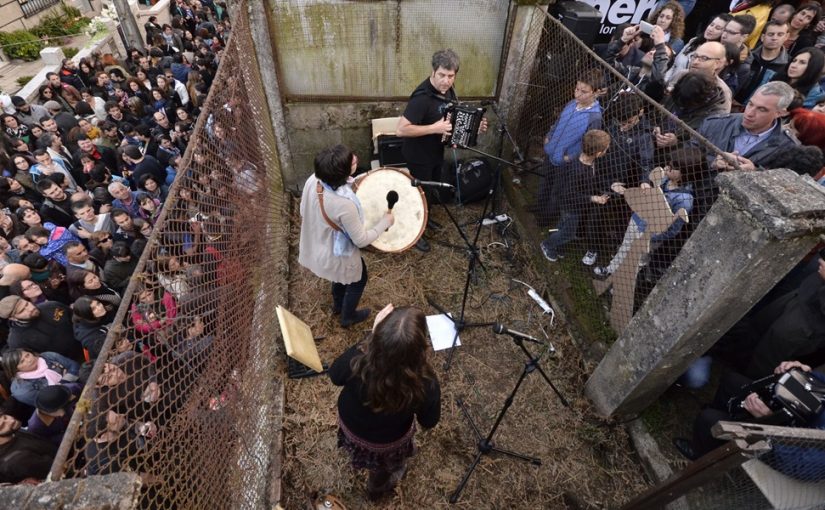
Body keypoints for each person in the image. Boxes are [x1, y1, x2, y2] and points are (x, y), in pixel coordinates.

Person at [329, 304, 440, 500]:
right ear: (421, 348)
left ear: (377, 336)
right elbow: (429, 421)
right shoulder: (426, 382)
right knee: (383, 467)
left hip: (351, 427)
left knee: (358, 447)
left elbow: (335, 375)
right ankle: (376, 489)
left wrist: (369, 338)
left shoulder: (358, 359)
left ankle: (357, 457)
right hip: (386, 443)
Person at [395, 49, 486, 252]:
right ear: (433, 72)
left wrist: (475, 126)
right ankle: (414, 233)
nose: (446, 81)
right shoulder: (422, 98)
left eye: (451, 76)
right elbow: (400, 130)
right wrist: (434, 128)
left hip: (435, 153)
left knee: (429, 192)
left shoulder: (448, 91)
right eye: (442, 75)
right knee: (417, 195)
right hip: (418, 157)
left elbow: (451, 121)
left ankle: (425, 221)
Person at [673, 360, 825, 482]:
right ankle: (720, 426)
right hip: (800, 416)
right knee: (732, 382)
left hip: (786, 448)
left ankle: (703, 457)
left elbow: (800, 467)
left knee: (709, 419)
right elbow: (820, 385)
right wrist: (802, 372)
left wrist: (771, 423)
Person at [298, 145, 393, 328]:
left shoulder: (314, 179)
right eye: (352, 162)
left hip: (318, 240)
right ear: (340, 175)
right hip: (335, 251)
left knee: (338, 275)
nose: (355, 159)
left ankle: (337, 305)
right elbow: (361, 240)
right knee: (358, 278)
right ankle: (348, 316)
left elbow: (303, 209)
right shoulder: (344, 205)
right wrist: (385, 222)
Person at [593, 147, 702, 278]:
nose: (667, 168)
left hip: (649, 235)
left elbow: (673, 229)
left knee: (637, 260)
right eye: (668, 163)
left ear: (685, 173)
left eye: (672, 167)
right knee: (624, 247)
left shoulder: (684, 200)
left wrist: (651, 236)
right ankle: (611, 269)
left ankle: (621, 283)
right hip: (637, 220)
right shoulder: (664, 179)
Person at [539, 129, 611, 263]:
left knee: (564, 225)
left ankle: (557, 244)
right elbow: (570, 193)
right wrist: (592, 198)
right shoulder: (577, 170)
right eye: (606, 149)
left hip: (574, 206)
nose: (607, 151)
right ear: (598, 153)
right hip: (571, 206)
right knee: (569, 233)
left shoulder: (587, 161)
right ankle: (548, 244)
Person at [0, 294, 82, 360]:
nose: (30, 309)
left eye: (27, 304)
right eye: (22, 311)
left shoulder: (51, 305)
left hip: (88, 343)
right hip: (73, 362)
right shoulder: (17, 341)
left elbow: (77, 317)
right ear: (12, 318)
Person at [735, 19, 791, 104]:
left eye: (780, 34)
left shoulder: (788, 65)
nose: (774, 38)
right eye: (771, 34)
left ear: (786, 37)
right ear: (762, 37)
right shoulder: (747, 56)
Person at [0, 348, 80, 408]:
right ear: (15, 369)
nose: (29, 360)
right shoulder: (21, 389)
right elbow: (49, 402)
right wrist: (66, 381)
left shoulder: (48, 356)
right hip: (65, 405)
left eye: (27, 355)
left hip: (79, 383)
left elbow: (74, 366)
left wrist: (62, 383)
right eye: (22, 361)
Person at [0, 413, 58, 484]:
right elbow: (59, 468)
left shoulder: (12, 432)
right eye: (2, 426)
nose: (11, 421)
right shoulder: (17, 460)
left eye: (5, 417)